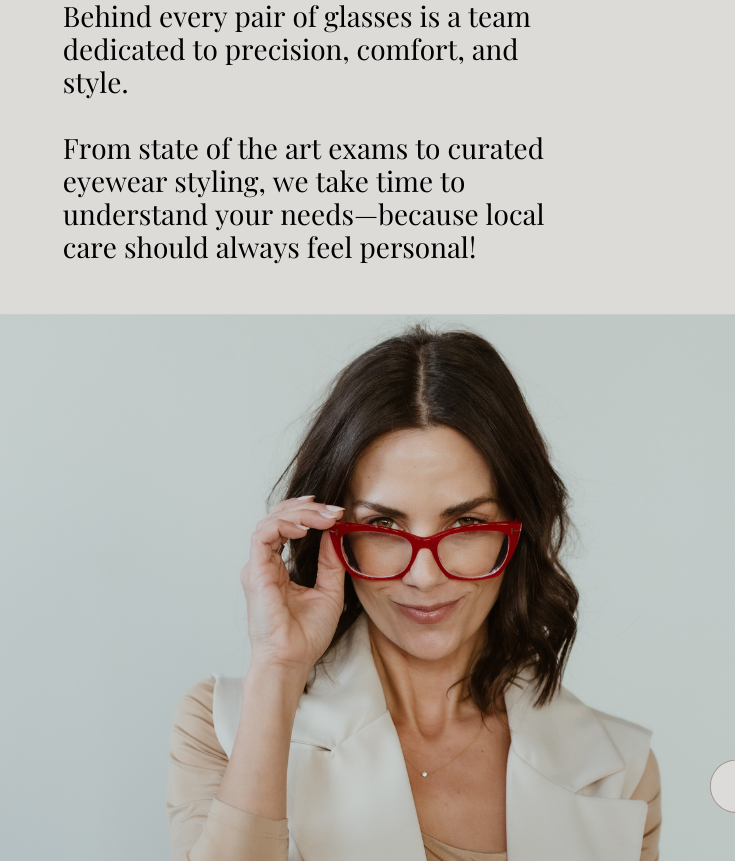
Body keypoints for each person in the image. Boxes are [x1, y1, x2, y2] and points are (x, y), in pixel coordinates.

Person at [167, 327, 661, 861]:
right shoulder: (223, 725)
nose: (424, 575)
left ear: (521, 528)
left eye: (468, 522)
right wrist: (278, 669)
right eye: (382, 526)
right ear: (330, 532)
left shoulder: (620, 773)